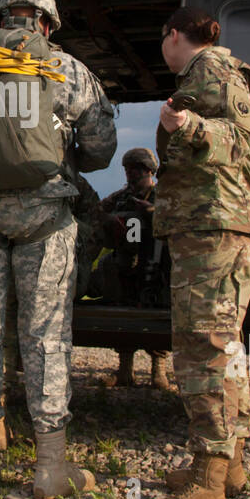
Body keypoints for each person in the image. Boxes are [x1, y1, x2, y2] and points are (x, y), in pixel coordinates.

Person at [0, 0, 117, 499]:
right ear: (47, 22)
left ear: (1, 15)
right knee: (44, 335)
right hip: (42, 214)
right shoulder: (66, 69)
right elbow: (101, 147)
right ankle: (50, 469)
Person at [140, 6, 250, 499]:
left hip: (214, 226)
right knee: (224, 344)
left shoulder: (212, 73)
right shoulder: (212, 74)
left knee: (203, 348)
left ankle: (208, 490)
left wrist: (190, 125)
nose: (162, 50)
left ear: (174, 35)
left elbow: (245, 144)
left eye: (163, 40)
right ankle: (229, 465)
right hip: (213, 224)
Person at [96, 147, 172, 390]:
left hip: (154, 263)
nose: (131, 174)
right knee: (121, 310)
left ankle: (158, 371)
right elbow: (98, 212)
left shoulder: (161, 196)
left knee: (158, 310)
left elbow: (174, 219)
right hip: (124, 264)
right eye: (128, 170)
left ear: (149, 171)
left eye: (136, 170)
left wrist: (151, 214)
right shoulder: (121, 197)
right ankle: (124, 369)